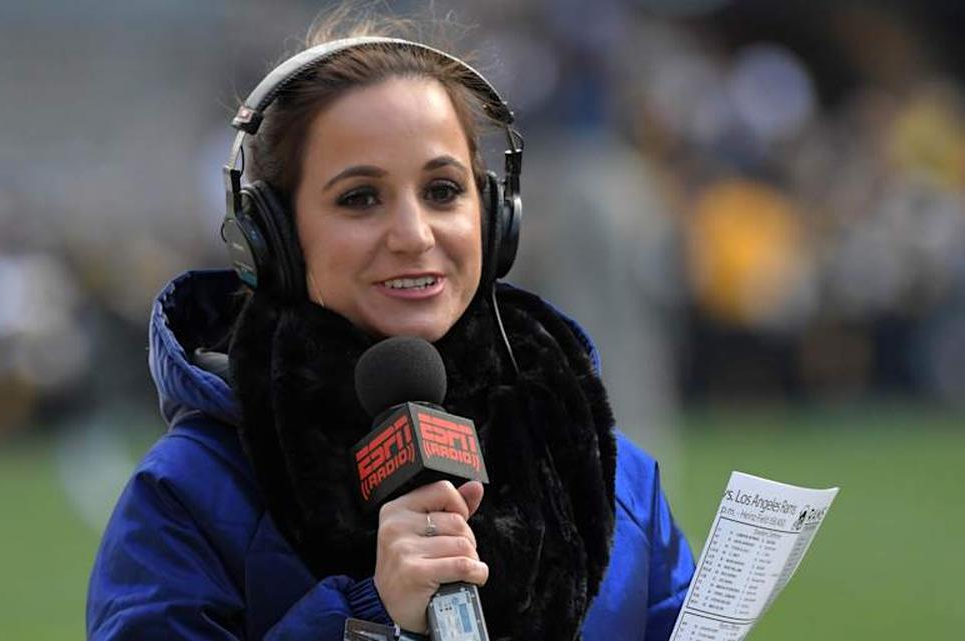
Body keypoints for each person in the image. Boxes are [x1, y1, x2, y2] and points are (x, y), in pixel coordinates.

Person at [86, 13, 694, 641]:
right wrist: (368, 615)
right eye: (359, 198)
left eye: (442, 190)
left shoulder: (612, 477)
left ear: (493, 216)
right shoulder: (190, 497)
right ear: (273, 240)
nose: (413, 235)